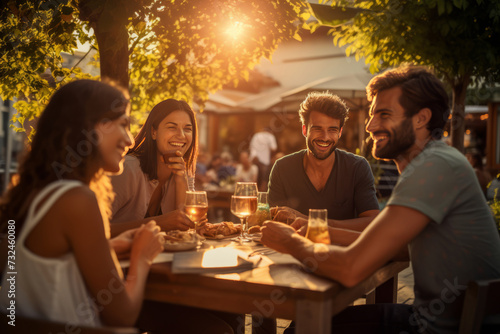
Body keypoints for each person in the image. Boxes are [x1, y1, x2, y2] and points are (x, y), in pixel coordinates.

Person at [261, 66, 500, 333]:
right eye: (372, 114)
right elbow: (396, 248)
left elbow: (351, 269)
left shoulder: (434, 166)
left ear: (421, 119)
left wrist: (290, 241)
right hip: (438, 318)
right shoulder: (433, 162)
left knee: (302, 328)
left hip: (439, 327)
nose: (370, 125)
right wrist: (320, 231)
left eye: (383, 114)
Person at [0, 80, 165, 327]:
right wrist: (143, 257)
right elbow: (122, 315)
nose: (130, 140)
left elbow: (49, 265)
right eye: (123, 125)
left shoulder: (35, 193)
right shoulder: (77, 200)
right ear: (88, 128)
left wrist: (108, 245)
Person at [268, 91, 380, 231]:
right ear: (305, 130)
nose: (325, 137)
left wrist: (311, 222)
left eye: (332, 130)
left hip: (343, 251)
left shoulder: (357, 167)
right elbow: (272, 222)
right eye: (317, 128)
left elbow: (372, 222)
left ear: (340, 132)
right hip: (291, 251)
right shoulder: (282, 168)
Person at [109, 99, 197, 236]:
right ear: (154, 132)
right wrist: (158, 223)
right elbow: (92, 230)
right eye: (172, 127)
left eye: (187, 129)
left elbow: (185, 229)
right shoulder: (127, 169)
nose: (181, 135)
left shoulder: (185, 172)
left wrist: (181, 179)